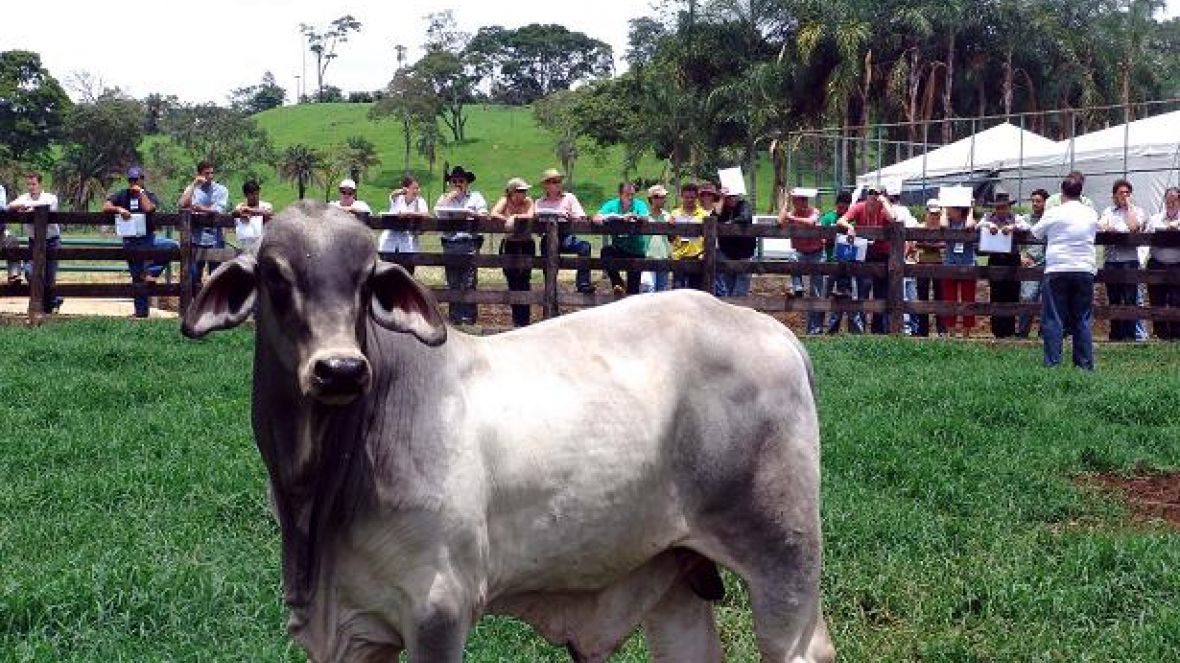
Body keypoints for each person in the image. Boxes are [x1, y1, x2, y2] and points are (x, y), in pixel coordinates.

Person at [1031, 173, 1098, 369]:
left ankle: (1052, 364)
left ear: (1062, 193)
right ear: (1081, 192)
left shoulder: (1054, 212)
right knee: (1082, 318)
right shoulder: (1090, 213)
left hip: (1058, 267)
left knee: (1054, 318)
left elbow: (1035, 233)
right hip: (1084, 267)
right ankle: (1084, 366)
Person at [103, 166, 179, 319]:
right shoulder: (122, 195)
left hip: (148, 239)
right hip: (130, 241)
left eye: (136, 179)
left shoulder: (149, 195)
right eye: (130, 180)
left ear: (142, 180)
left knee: (172, 246)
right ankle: (141, 313)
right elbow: (106, 206)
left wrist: (140, 193)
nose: (133, 183)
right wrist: (119, 210)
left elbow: (149, 208)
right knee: (137, 278)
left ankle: (152, 272)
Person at [835, 185, 897, 333]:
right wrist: (850, 227)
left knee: (881, 294)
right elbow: (841, 220)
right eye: (870, 193)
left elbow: (893, 218)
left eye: (876, 193)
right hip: (864, 255)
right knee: (862, 291)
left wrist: (883, 200)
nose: (873, 196)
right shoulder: (859, 207)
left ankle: (878, 331)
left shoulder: (884, 209)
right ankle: (860, 330)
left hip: (883, 256)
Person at [435, 165, 488, 325]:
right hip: (450, 243)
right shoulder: (444, 198)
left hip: (469, 242)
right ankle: (455, 318)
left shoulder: (476, 197)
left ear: (467, 183)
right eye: (454, 181)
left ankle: (469, 318)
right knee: (452, 281)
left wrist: (473, 214)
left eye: (461, 181)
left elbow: (484, 214)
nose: (458, 184)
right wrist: (450, 198)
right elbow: (438, 213)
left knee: (469, 281)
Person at [7, 173, 63, 312]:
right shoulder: (24, 197)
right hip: (33, 242)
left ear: (40, 184)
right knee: (30, 272)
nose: (31, 187)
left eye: (34, 184)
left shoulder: (50, 197)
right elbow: (10, 206)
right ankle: (46, 303)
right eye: (29, 184)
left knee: (50, 276)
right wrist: (24, 206)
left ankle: (48, 305)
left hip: (51, 241)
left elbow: (48, 206)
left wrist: (26, 207)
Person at [1096, 179, 1144, 342]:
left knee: (1130, 298)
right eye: (1121, 193)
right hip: (1111, 261)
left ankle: (1129, 336)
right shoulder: (1108, 211)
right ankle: (1115, 335)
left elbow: (1133, 227)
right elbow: (1101, 225)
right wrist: (1107, 228)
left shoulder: (1137, 210)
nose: (1124, 195)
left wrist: (1128, 206)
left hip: (1129, 260)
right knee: (1114, 298)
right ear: (1114, 196)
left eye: (1127, 193)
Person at [534, 168, 593, 294]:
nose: (557, 184)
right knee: (547, 258)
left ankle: (583, 283)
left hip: (566, 236)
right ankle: (550, 288)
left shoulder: (569, 198)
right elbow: (536, 228)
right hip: (548, 237)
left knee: (584, 247)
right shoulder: (539, 203)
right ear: (546, 185)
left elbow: (580, 216)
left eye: (558, 181)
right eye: (553, 182)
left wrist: (570, 217)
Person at [491, 177, 536, 327]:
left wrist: (515, 217)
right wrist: (507, 219)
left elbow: (530, 215)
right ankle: (517, 319)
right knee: (512, 280)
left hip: (526, 244)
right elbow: (494, 213)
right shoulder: (505, 200)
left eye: (524, 191)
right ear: (512, 192)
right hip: (510, 243)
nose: (523, 194)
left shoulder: (529, 201)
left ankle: (525, 319)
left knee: (525, 280)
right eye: (520, 191)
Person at [179, 160, 229, 292]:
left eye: (212, 173)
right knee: (194, 275)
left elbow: (219, 210)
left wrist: (200, 208)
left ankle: (215, 308)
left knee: (216, 275)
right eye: (207, 173)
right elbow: (182, 204)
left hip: (216, 238)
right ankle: (196, 306)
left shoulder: (221, 190)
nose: (210, 176)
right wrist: (194, 185)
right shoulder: (192, 189)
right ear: (199, 174)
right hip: (196, 238)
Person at [978, 188, 1022, 338]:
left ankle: (1009, 330)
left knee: (1012, 294)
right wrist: (989, 225)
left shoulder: (1016, 217)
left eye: (1004, 207)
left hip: (1012, 259)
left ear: (1009, 207)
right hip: (996, 258)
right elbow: (978, 225)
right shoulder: (988, 217)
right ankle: (997, 331)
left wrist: (1013, 227)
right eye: (998, 207)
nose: (1001, 210)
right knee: (996, 293)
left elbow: (1027, 227)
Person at [779, 187, 824, 332]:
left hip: (816, 253)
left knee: (816, 294)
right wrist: (785, 203)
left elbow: (811, 222)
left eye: (805, 199)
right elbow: (780, 221)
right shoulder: (791, 213)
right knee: (792, 257)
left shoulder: (814, 211)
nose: (804, 202)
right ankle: (798, 287)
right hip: (801, 253)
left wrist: (790, 217)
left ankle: (815, 329)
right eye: (799, 199)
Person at [596, 181, 651, 296]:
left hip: (636, 250)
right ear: (620, 194)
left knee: (633, 289)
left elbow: (646, 217)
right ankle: (618, 283)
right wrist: (607, 219)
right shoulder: (612, 205)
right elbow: (597, 217)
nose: (630, 198)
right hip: (619, 248)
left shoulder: (639, 204)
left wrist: (636, 217)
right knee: (606, 251)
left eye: (632, 195)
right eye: (627, 195)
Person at [938, 192, 978, 338]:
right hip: (950, 264)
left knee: (968, 299)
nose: (948, 211)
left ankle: (966, 334)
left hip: (968, 264)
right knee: (950, 299)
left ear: (959, 210)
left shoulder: (969, 220)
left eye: (950, 208)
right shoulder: (947, 223)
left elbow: (969, 225)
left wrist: (971, 208)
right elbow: (942, 224)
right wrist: (943, 207)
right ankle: (952, 333)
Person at [822, 192, 862, 334]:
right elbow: (821, 238)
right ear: (836, 205)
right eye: (840, 207)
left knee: (852, 299)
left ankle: (855, 333)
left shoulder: (852, 220)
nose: (842, 210)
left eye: (845, 208)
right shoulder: (828, 218)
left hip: (849, 265)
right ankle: (827, 331)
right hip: (831, 262)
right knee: (828, 299)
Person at [1146, 187, 1180, 340]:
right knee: (1157, 300)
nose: (1170, 203)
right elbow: (1146, 237)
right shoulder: (1155, 218)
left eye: (1174, 200)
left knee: (1176, 300)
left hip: (1177, 265)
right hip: (1157, 263)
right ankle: (1161, 334)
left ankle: (1177, 335)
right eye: (1168, 200)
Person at [1016, 189, 1049, 338]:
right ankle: (1023, 332)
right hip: (1030, 264)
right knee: (1028, 298)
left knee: (1046, 300)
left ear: (1045, 202)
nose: (1035, 204)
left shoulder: (1050, 220)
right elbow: (1014, 241)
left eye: (1038, 201)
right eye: (1033, 201)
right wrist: (1020, 257)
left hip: (1048, 264)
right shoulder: (1025, 219)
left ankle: (1043, 333)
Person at [911, 199, 946, 337]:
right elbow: (915, 244)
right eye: (932, 214)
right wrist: (934, 245)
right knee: (922, 297)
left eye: (937, 214)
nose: (934, 217)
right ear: (927, 213)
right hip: (923, 264)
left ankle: (941, 330)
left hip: (939, 264)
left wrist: (927, 245)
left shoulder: (943, 229)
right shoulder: (920, 227)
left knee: (940, 298)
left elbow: (945, 244)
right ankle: (923, 330)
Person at [379, 175, 429, 272]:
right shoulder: (398, 199)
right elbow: (392, 195)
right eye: (414, 188)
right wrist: (401, 191)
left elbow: (426, 214)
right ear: (406, 189)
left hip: (408, 243)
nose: (417, 191)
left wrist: (409, 214)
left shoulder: (420, 201)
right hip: (390, 241)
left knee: (407, 271)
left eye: (418, 188)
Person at [714, 186, 756, 298]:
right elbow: (713, 218)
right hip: (727, 254)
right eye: (727, 197)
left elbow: (745, 217)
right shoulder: (720, 208)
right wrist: (721, 200)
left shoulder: (743, 205)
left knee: (740, 292)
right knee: (728, 289)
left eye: (733, 196)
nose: (731, 199)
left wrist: (730, 223)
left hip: (745, 254)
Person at [670, 182, 707, 289]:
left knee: (695, 291)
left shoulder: (704, 215)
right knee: (678, 291)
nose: (689, 200)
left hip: (697, 257)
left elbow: (709, 238)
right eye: (686, 197)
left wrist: (704, 253)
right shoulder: (675, 214)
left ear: (696, 197)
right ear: (682, 197)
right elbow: (671, 239)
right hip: (679, 257)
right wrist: (670, 228)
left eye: (692, 197)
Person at [641, 184, 672, 293]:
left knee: (661, 291)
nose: (663, 200)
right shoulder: (644, 217)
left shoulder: (668, 216)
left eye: (664, 197)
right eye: (660, 197)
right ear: (652, 199)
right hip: (648, 257)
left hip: (664, 257)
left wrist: (672, 226)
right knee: (648, 288)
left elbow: (672, 238)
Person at [231, 180, 273, 252]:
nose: (256, 197)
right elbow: (234, 213)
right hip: (244, 244)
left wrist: (250, 210)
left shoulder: (266, 205)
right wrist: (241, 214)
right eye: (252, 195)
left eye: (257, 194)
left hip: (261, 244)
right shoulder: (240, 206)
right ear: (246, 195)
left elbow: (268, 213)